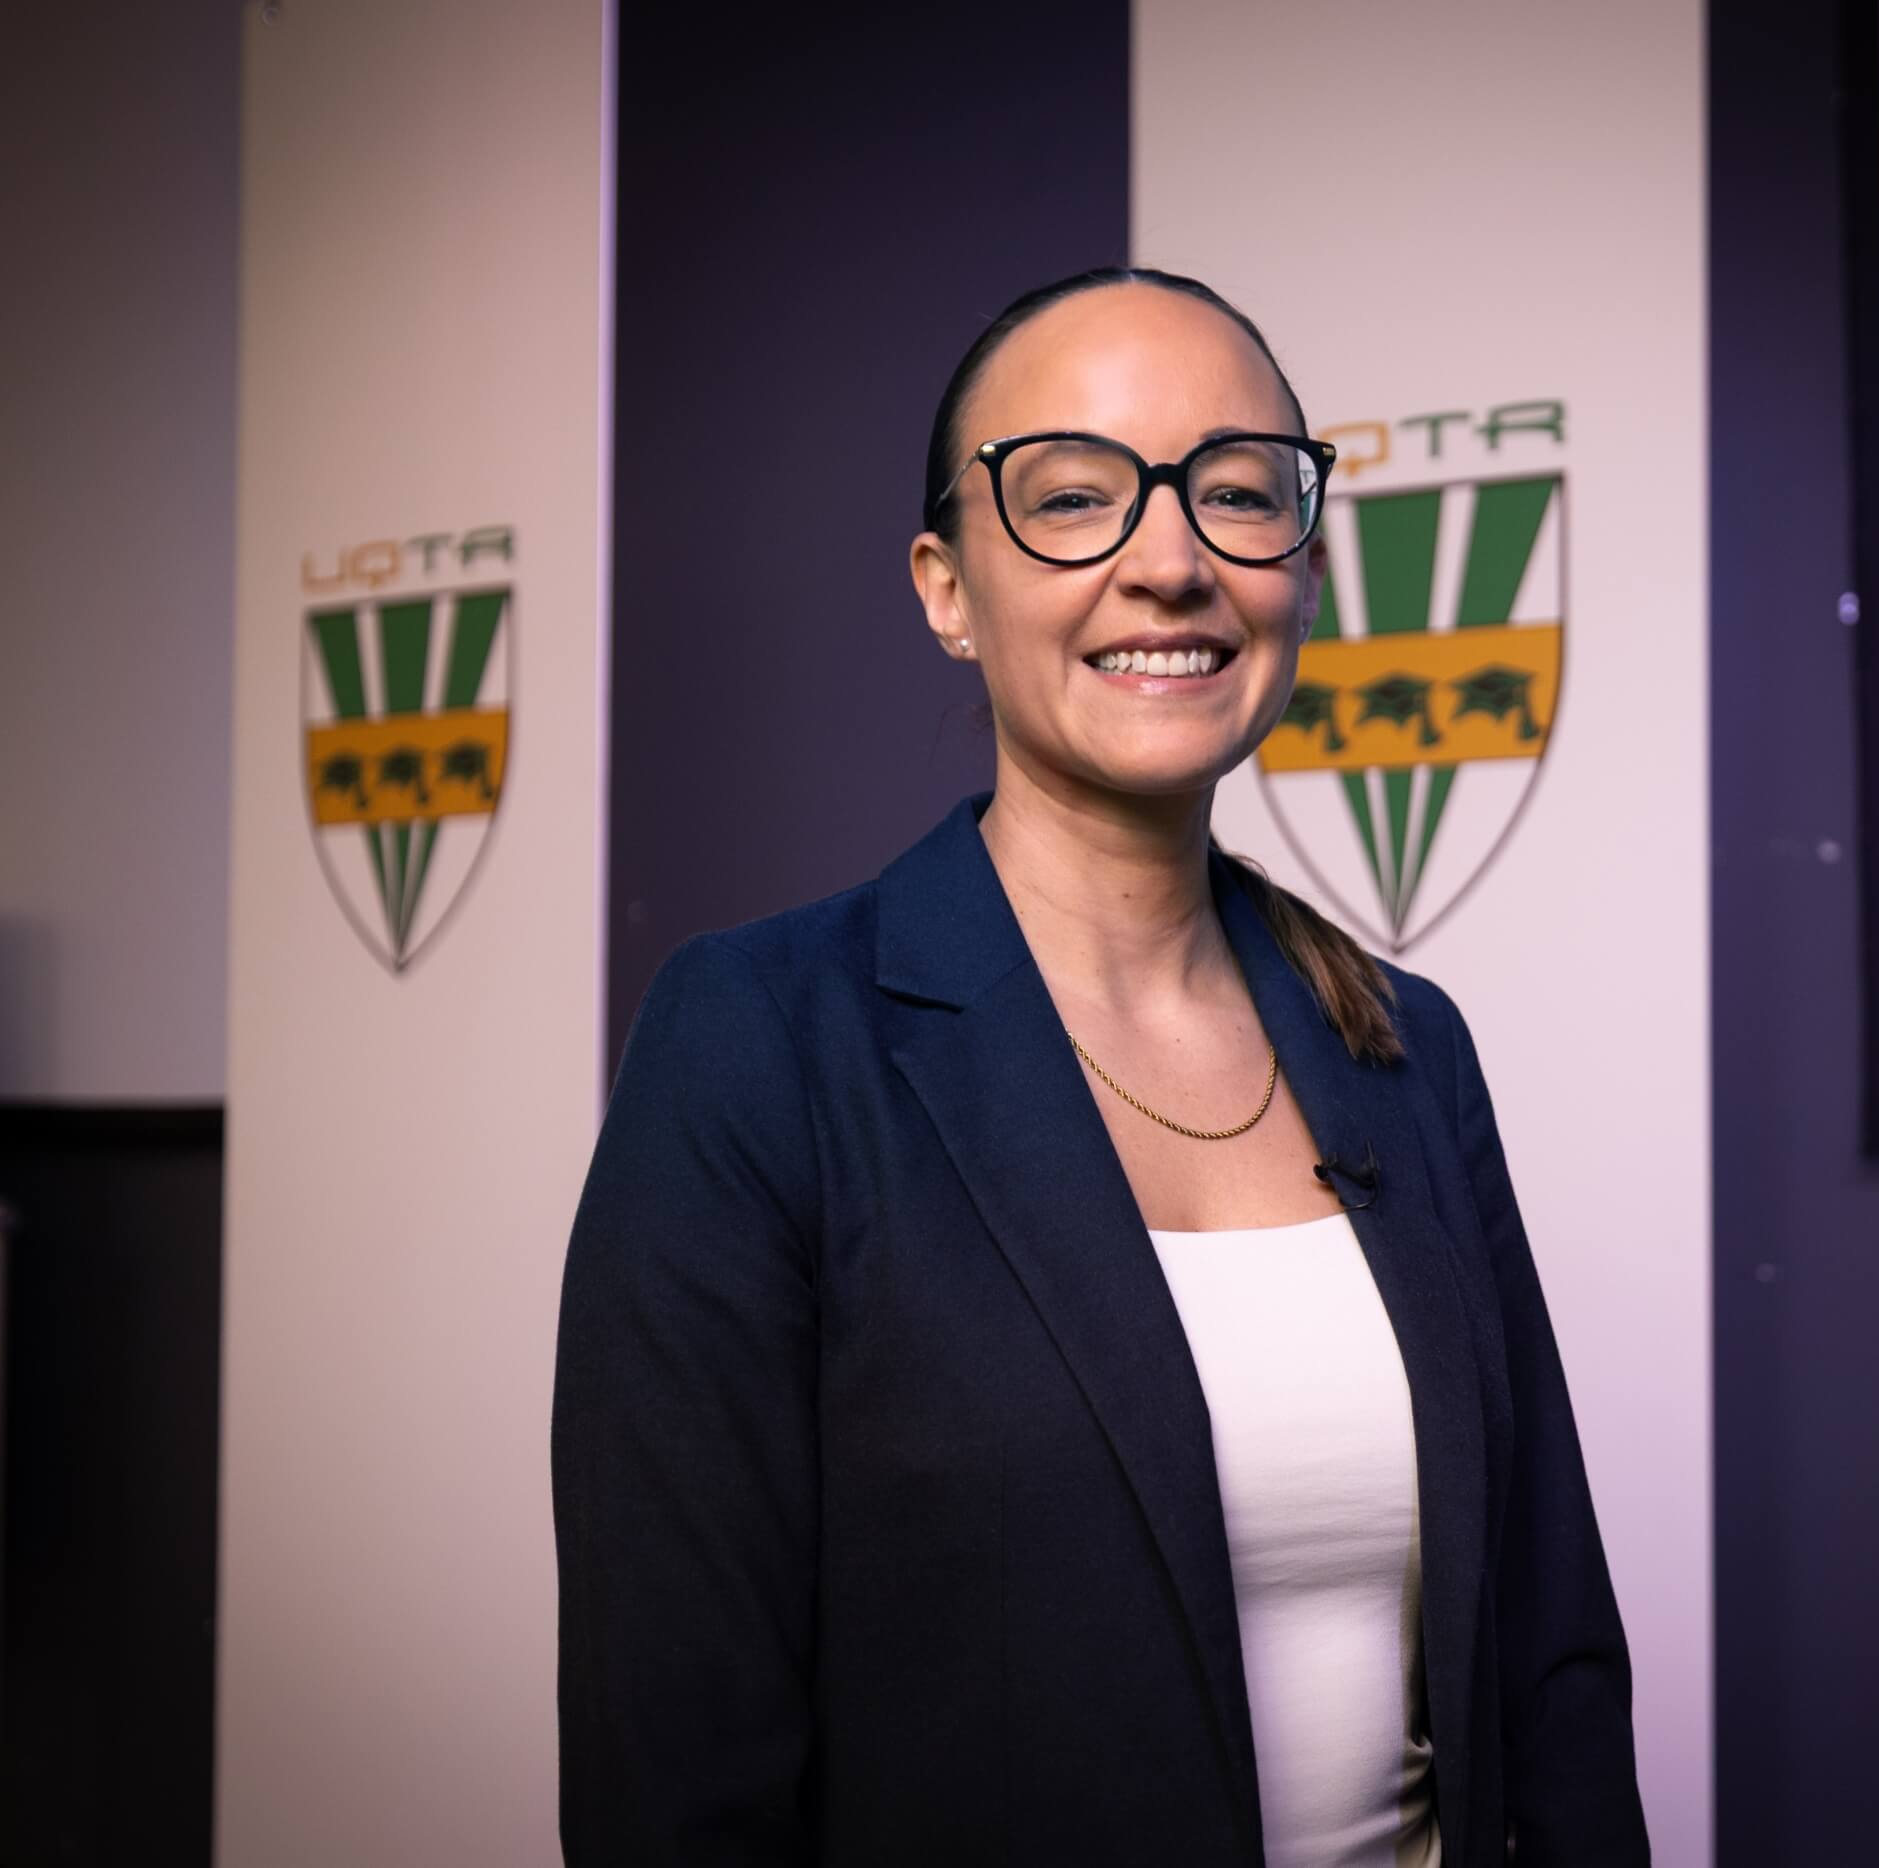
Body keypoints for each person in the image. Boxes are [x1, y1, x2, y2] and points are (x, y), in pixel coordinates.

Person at [550, 267, 1645, 1867]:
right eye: (1072, 497)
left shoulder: (1407, 1049)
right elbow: (676, 1770)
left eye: (1237, 494)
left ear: (1306, 569)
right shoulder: (759, 1043)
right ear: (946, 590)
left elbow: (1554, 1667)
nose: (1171, 562)